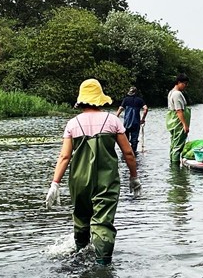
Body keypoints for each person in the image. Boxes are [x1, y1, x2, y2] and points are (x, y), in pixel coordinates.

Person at [45, 78, 142, 265]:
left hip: (79, 179)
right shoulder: (112, 121)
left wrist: (54, 184)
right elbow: (128, 152)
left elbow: (64, 157)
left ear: (81, 100)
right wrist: (134, 177)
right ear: (99, 98)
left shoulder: (73, 124)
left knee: (81, 217)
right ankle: (102, 264)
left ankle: (81, 253)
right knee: (102, 221)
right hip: (106, 179)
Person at [115, 86, 148, 154]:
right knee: (134, 140)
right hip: (136, 122)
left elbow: (120, 109)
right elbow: (146, 109)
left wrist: (115, 118)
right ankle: (134, 153)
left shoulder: (126, 100)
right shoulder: (140, 100)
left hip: (127, 123)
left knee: (125, 139)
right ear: (136, 92)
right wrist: (143, 119)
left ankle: (126, 153)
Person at [166, 73, 191, 163]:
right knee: (178, 146)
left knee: (174, 144)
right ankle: (175, 166)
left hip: (173, 122)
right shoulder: (177, 94)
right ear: (179, 82)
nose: (186, 86)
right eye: (184, 83)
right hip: (178, 123)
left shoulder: (172, 92)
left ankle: (173, 163)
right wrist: (185, 125)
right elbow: (179, 110)